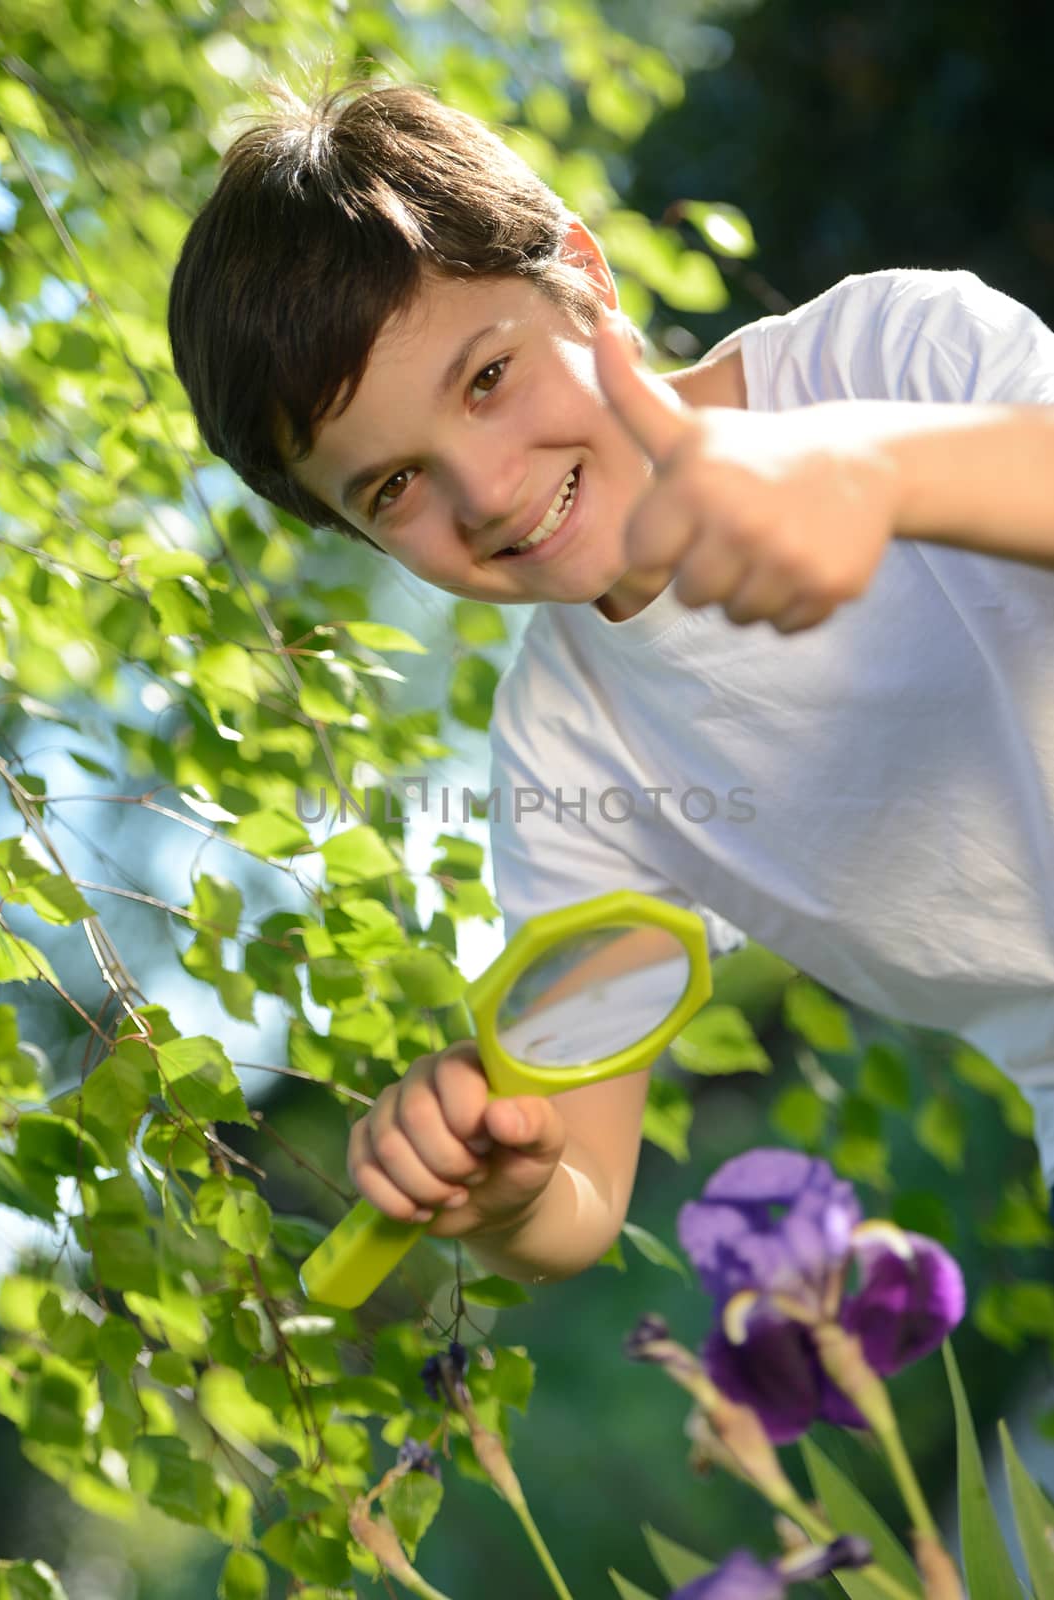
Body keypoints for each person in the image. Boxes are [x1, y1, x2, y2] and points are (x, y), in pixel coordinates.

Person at [168, 78, 1054, 1286]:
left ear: (583, 280)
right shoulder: (569, 747)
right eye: (394, 488)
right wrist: (507, 1189)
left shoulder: (886, 356)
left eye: (486, 377)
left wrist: (881, 476)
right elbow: (580, 1184)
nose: (483, 490)